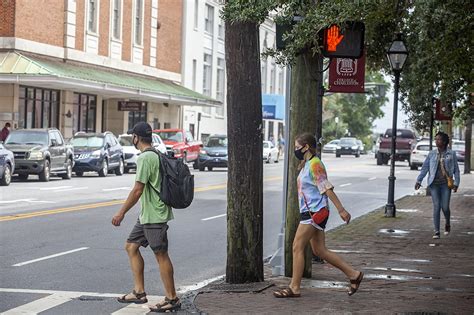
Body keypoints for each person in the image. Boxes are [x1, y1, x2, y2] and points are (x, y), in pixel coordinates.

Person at [273, 132, 363, 298]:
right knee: (320, 250)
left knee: (297, 246)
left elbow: (326, 187)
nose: (295, 150)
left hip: (315, 211)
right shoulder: (307, 164)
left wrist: (341, 209)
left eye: (296, 147)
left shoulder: (315, 164)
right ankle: (354, 274)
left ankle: (294, 287)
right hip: (312, 210)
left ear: (306, 147)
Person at [112, 122, 181, 312]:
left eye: (132, 136)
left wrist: (121, 213)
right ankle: (139, 292)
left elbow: (137, 190)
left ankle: (172, 299)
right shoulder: (156, 153)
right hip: (147, 214)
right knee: (131, 246)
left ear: (136, 138)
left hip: (154, 215)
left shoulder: (145, 158)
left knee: (161, 254)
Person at [415, 132, 460, 239]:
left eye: (438, 139)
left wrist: (456, 183)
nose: (436, 141)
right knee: (437, 206)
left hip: (446, 184)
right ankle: (436, 231)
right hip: (434, 184)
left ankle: (447, 222)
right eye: (436, 139)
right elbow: (425, 168)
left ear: (444, 142)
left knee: (445, 207)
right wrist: (419, 180)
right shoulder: (432, 153)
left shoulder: (451, 154)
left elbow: (456, 171)